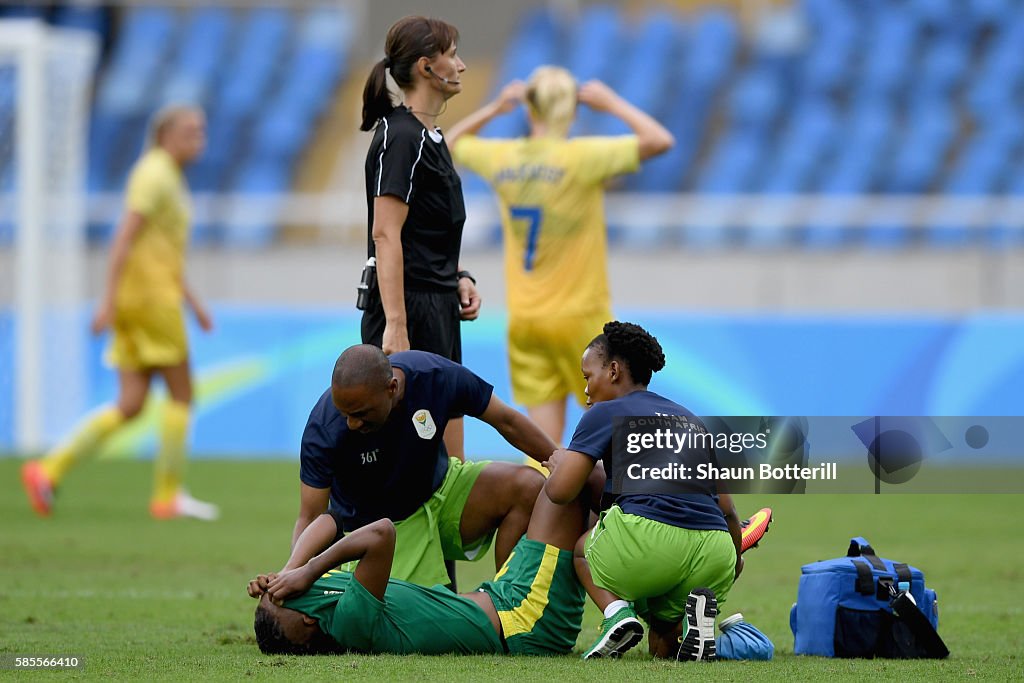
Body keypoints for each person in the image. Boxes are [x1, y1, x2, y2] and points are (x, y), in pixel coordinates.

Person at [446, 66, 674, 449]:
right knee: (608, 438)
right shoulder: (581, 157)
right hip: (579, 318)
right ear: (571, 111)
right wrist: (611, 102)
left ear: (530, 109)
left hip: (526, 320)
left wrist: (494, 109)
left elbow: (449, 142)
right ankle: (617, 510)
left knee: (543, 448)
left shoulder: (504, 157)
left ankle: (539, 507)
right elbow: (660, 140)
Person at [21, 105, 218, 521]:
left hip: (142, 298)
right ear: (164, 134)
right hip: (150, 301)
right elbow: (123, 237)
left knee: (130, 403)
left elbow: (157, 250)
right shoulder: (155, 174)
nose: (199, 136)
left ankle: (47, 469)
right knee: (182, 393)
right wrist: (106, 300)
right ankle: (167, 495)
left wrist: (194, 302)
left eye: (201, 130)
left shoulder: (164, 174)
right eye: (190, 130)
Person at [543, 321, 744, 661]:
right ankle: (691, 623)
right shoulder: (690, 419)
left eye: (587, 377)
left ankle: (617, 614)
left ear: (614, 371)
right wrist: (735, 559)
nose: (586, 392)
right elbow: (726, 507)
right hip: (715, 551)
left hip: (649, 545)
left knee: (582, 551)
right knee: (662, 642)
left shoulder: (605, 412)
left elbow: (560, 493)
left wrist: (559, 464)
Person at [289, 344, 555, 591]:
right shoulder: (323, 429)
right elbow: (312, 517)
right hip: (383, 532)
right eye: (344, 413)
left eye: (360, 414)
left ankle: (506, 607)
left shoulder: (434, 376)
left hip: (441, 493)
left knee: (529, 486)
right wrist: (295, 576)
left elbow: (507, 421)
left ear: (392, 388)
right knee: (396, 632)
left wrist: (562, 462)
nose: (351, 424)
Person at [247, 470, 597, 657]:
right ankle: (638, 528)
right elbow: (381, 534)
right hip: (527, 620)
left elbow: (329, 521)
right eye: (282, 594)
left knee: (569, 483)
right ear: (308, 619)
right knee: (569, 479)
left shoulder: (326, 597)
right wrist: (306, 570)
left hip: (506, 597)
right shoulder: (349, 624)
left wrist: (290, 568)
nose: (283, 586)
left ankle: (623, 531)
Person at [359, 15, 480, 461]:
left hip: (438, 305)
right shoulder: (401, 136)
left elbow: (427, 231)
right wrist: (396, 323)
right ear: (428, 67)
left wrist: (458, 276)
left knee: (449, 460)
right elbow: (385, 234)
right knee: (410, 459)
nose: (462, 65)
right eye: (453, 55)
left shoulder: (432, 137)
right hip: (409, 308)